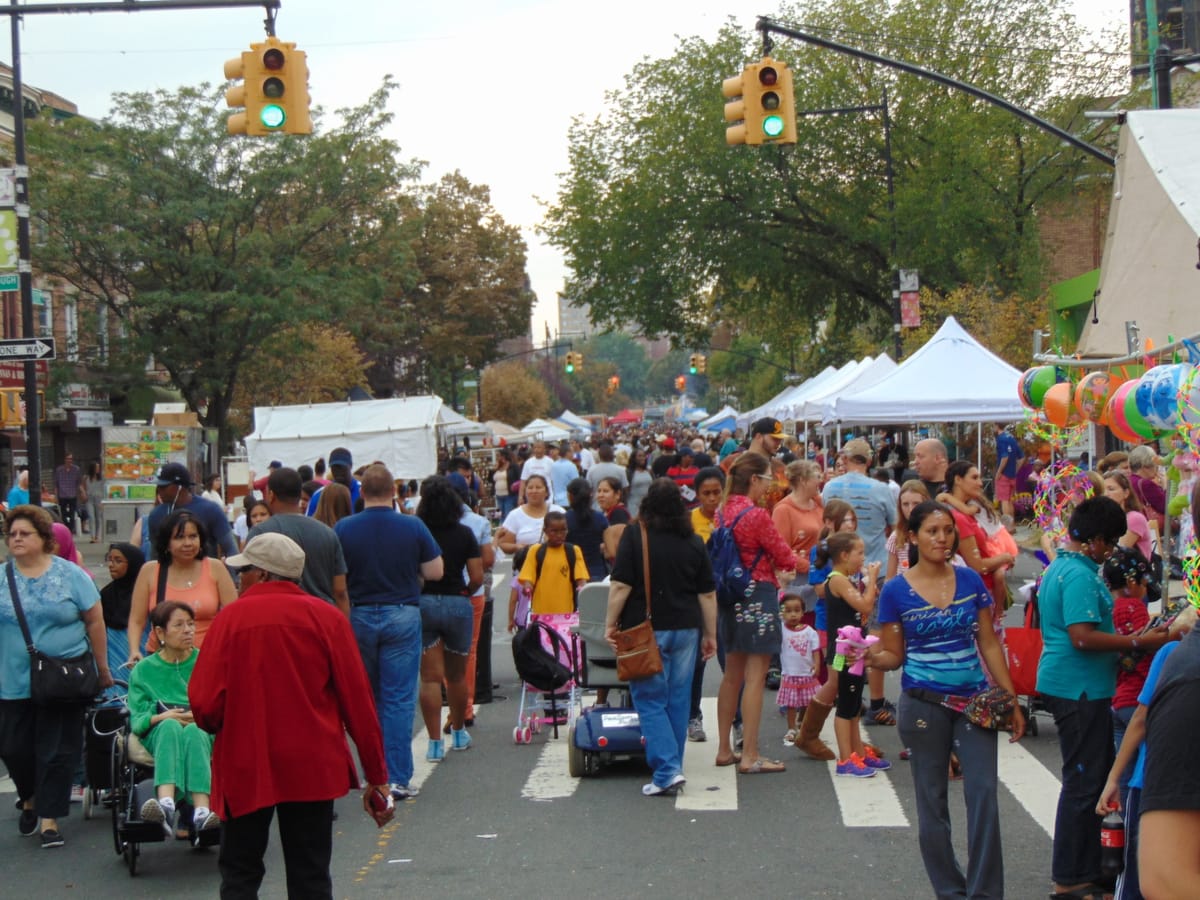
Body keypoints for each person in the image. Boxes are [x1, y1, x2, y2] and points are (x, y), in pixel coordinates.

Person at [188, 532, 393, 897]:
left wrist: (220, 724)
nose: (239, 578)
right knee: (310, 873)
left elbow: (204, 703)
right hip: (311, 759)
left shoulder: (229, 620)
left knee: (240, 871)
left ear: (263, 574)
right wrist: (376, 776)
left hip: (245, 758)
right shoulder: (327, 619)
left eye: (245, 570)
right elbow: (358, 702)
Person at [870, 500, 1025, 898]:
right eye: (932, 531)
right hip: (922, 705)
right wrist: (868, 656)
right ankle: (950, 892)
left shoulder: (971, 580)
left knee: (984, 795)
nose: (942, 538)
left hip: (975, 703)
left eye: (948, 531)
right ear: (912, 538)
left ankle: (985, 893)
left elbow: (988, 642)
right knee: (932, 803)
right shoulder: (895, 591)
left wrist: (1010, 698)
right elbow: (894, 655)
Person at [1037, 496, 1170, 898]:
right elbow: (1082, 636)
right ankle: (1069, 876)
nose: (1110, 551)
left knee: (1091, 779)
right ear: (1093, 540)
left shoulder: (1066, 567)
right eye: (1108, 543)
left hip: (1081, 684)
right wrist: (1140, 641)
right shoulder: (1077, 575)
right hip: (1078, 687)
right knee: (1083, 782)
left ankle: (1086, 867)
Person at [0, 504, 111, 848]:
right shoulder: (2, 577)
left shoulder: (70, 575)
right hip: (12, 679)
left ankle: (49, 818)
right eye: (11, 533)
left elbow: (94, 621)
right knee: (13, 748)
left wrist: (102, 668)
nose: (16, 539)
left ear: (44, 538)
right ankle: (29, 796)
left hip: (62, 677)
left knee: (56, 749)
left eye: (24, 533)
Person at [335, 464, 443, 802]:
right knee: (398, 698)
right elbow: (435, 570)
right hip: (402, 611)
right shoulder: (412, 525)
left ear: (362, 492)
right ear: (394, 492)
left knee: (367, 698)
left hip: (360, 614)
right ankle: (396, 777)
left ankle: (373, 774)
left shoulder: (344, 528)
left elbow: (337, 578)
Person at [604, 478, 716, 796]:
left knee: (650, 699)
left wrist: (610, 624)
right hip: (687, 629)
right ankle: (672, 765)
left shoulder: (634, 536)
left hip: (644, 629)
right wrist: (711, 635)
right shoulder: (693, 541)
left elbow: (621, 585)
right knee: (678, 700)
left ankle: (667, 770)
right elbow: (707, 594)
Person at [1095, 606, 1195, 900]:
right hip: (1158, 784)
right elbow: (1139, 718)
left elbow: (1141, 719)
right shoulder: (1176, 656)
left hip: (1150, 783)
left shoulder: (1172, 655)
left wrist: (1114, 778)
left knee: (1137, 879)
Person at [714, 452, 796, 774]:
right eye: (766, 480)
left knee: (731, 675)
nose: (768, 486)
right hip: (758, 594)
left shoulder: (721, 511)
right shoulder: (757, 515)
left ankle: (724, 748)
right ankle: (750, 754)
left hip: (730, 595)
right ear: (753, 480)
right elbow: (785, 556)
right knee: (755, 677)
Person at [128, 601, 219, 840]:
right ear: (160, 632)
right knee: (170, 726)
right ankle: (165, 804)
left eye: (191, 624)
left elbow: (220, 703)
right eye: (179, 625)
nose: (188, 630)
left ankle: (201, 811)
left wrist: (198, 714)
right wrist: (162, 716)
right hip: (159, 729)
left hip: (200, 726)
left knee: (195, 731)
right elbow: (137, 719)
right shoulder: (144, 670)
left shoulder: (206, 662)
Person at [822, 437, 897, 726]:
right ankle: (876, 700)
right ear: (868, 461)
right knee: (872, 636)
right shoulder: (881, 489)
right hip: (871, 571)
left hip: (839, 570)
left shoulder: (830, 487)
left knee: (840, 638)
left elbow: (825, 523)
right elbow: (892, 526)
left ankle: (843, 694)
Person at [415, 476, 482, 761]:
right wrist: (464, 592)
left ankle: (433, 743)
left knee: (430, 678)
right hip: (457, 602)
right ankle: (457, 732)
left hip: (425, 603)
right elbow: (477, 576)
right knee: (456, 676)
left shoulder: (418, 532)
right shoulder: (465, 533)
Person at [126, 510, 238, 664]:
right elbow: (136, 620)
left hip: (208, 658)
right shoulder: (150, 571)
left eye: (193, 536)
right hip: (162, 659)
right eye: (179, 537)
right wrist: (134, 650)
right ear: (166, 543)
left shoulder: (215, 567)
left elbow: (234, 616)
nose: (188, 543)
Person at [817, 531, 884, 777]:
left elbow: (864, 604)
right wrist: (874, 578)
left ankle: (860, 754)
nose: (863, 558)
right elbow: (865, 605)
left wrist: (868, 583)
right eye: (860, 553)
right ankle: (845, 758)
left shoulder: (846, 578)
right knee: (846, 705)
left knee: (854, 704)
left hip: (854, 649)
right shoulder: (837, 580)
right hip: (843, 652)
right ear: (844, 555)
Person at [247, 467, 350, 614]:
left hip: (277, 617)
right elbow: (340, 590)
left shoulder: (260, 533)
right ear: (299, 495)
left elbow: (250, 584)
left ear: (271, 495)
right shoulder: (327, 533)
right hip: (322, 617)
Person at [1100, 547, 1153, 812]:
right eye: (1144, 583)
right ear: (1132, 582)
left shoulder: (1109, 608)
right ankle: (1136, 837)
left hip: (1117, 701)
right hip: (1137, 702)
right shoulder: (1136, 609)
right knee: (1141, 778)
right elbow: (1146, 660)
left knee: (1123, 776)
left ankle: (1120, 834)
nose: (1146, 589)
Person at [686, 467, 726, 743]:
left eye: (716, 492)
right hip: (698, 599)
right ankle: (693, 717)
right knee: (697, 664)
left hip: (727, 598)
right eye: (706, 494)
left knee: (731, 662)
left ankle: (737, 721)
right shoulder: (689, 521)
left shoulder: (731, 518)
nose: (712, 499)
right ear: (697, 495)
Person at [143, 463, 238, 562]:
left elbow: (230, 548)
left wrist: (233, 575)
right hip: (170, 575)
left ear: (179, 487)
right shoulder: (156, 514)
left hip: (204, 574)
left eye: (163, 486)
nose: (158, 491)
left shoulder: (210, 510)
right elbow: (155, 554)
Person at [515, 510, 589, 622]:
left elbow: (581, 579)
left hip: (567, 614)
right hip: (541, 613)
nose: (559, 535)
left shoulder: (573, 551)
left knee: (565, 640)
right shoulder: (536, 551)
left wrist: (583, 589)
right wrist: (527, 587)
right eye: (554, 531)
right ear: (545, 531)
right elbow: (528, 577)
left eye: (563, 530)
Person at [777, 594, 821, 748]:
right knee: (791, 704)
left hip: (807, 674)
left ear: (803, 612)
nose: (793, 614)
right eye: (788, 611)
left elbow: (816, 651)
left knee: (808, 703)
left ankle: (802, 723)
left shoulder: (810, 631)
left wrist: (817, 665)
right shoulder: (781, 629)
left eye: (797, 610)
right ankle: (791, 728)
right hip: (790, 674)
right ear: (782, 613)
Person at [99, 542, 145, 681]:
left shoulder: (143, 593)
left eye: (118, 561)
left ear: (133, 564)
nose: (111, 565)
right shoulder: (106, 594)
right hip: (112, 656)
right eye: (110, 559)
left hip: (140, 650)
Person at [495, 474, 562, 555]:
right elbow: (503, 544)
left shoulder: (558, 511)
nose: (534, 491)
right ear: (525, 492)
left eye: (538, 487)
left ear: (547, 492)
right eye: (530, 488)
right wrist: (517, 547)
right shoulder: (515, 515)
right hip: (526, 565)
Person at [885, 481, 931, 581]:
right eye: (905, 504)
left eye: (916, 503)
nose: (911, 509)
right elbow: (890, 577)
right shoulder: (896, 536)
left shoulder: (935, 534)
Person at [1102, 471, 1153, 563]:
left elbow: (1117, 553)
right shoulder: (1105, 519)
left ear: (1126, 493)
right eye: (1103, 490)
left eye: (1111, 489)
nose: (1106, 494)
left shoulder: (1133, 518)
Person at [566, 477, 609, 581]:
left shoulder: (564, 519)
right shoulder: (600, 518)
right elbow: (609, 549)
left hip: (571, 572)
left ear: (570, 496)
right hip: (597, 571)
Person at [305, 447, 361, 515]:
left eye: (341, 467)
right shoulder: (320, 495)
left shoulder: (364, 490)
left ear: (350, 466)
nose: (338, 471)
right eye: (334, 468)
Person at [993, 424, 1022, 519]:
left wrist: (999, 472)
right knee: (1009, 501)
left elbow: (1005, 457)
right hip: (1012, 474)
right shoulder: (1011, 438)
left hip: (1004, 475)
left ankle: (1007, 526)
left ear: (996, 426)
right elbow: (1021, 457)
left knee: (1004, 500)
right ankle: (1012, 524)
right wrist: (1016, 470)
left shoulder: (1000, 439)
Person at [53, 452, 82, 533]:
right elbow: (56, 484)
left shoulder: (76, 469)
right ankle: (66, 528)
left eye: (71, 459)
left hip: (72, 494)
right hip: (62, 495)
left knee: (72, 513)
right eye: (68, 459)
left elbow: (79, 483)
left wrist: (81, 493)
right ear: (65, 459)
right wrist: (56, 496)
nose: (69, 460)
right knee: (63, 514)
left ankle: (70, 530)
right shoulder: (59, 470)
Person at [625, 447, 652, 518]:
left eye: (643, 456)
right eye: (639, 456)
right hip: (633, 506)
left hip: (648, 506)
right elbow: (625, 490)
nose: (642, 458)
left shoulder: (649, 471)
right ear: (634, 458)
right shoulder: (629, 472)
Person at [84, 461, 105, 543]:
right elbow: (82, 486)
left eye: (98, 468)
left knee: (98, 518)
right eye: (96, 468)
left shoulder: (101, 479)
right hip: (89, 498)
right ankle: (92, 536)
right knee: (91, 516)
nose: (98, 469)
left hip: (99, 498)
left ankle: (97, 536)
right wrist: (83, 493)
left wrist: (102, 502)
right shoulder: (86, 478)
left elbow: (103, 489)